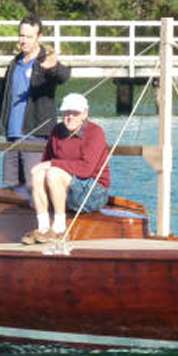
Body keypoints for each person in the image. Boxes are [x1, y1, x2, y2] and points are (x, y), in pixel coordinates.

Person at [0, 13, 70, 189]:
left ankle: (40, 217)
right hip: (12, 136)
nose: (23, 40)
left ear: (39, 37)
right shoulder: (14, 63)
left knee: (34, 187)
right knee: (10, 188)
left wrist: (54, 67)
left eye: (29, 37)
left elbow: (63, 76)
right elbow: (2, 96)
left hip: (36, 136)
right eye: (21, 35)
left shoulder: (45, 60)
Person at [22, 93, 110, 245]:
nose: (70, 117)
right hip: (63, 187)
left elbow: (86, 169)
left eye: (75, 113)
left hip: (92, 191)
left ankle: (59, 229)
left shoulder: (95, 132)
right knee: (38, 174)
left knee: (53, 172)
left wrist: (53, 164)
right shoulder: (57, 131)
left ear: (85, 114)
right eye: (66, 113)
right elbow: (46, 162)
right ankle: (43, 229)